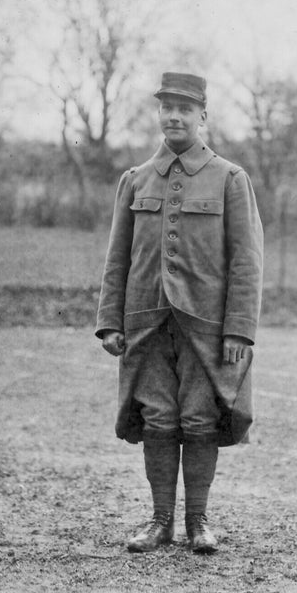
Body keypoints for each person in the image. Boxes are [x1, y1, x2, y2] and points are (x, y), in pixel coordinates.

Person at [95, 72, 264, 554]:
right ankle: (159, 521)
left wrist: (239, 330)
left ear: (202, 116)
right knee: (158, 420)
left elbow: (247, 261)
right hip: (145, 324)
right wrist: (110, 321)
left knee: (198, 420)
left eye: (184, 108)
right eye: (167, 106)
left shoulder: (231, 178)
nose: (173, 115)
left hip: (207, 327)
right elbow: (117, 258)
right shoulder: (134, 180)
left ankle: (198, 522)